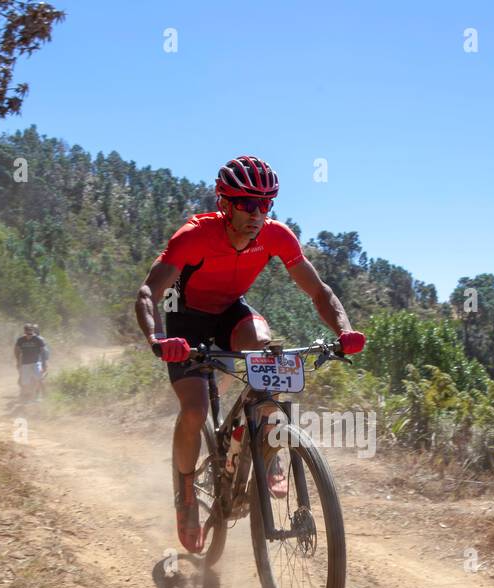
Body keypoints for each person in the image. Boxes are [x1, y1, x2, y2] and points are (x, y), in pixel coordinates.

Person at [135, 155, 366, 553]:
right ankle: (186, 498)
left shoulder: (277, 236)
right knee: (193, 410)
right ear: (225, 204)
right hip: (185, 319)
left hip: (230, 313)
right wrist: (157, 338)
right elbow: (148, 293)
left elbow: (318, 291)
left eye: (265, 204)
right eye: (246, 203)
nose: (256, 213)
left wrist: (344, 331)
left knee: (265, 351)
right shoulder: (193, 236)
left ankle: (267, 445)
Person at [14, 323, 49, 401]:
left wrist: (44, 363)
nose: (29, 333)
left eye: (30, 331)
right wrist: (17, 361)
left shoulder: (39, 339)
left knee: (39, 378)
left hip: (36, 361)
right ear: (25, 331)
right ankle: (26, 396)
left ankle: (40, 395)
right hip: (25, 363)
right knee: (24, 381)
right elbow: (17, 350)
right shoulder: (21, 340)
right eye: (27, 331)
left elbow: (44, 351)